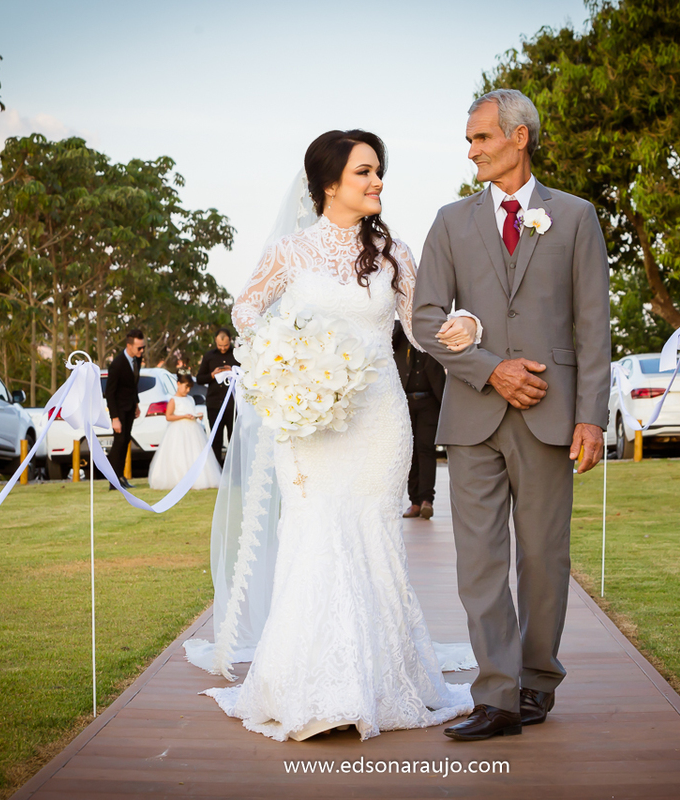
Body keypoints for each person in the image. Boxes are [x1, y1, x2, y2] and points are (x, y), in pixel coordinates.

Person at [201, 129, 481, 742]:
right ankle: (313, 685)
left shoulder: (393, 253)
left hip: (378, 415)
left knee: (372, 533)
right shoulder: (290, 251)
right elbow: (245, 310)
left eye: (379, 171)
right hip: (311, 419)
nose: (377, 181)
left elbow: (419, 327)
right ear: (330, 184)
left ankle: (379, 683)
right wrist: (287, 356)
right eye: (364, 172)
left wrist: (464, 325)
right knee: (315, 532)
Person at [412, 89, 611, 741]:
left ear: (519, 138)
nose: (471, 150)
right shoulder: (449, 222)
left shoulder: (576, 218)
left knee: (544, 559)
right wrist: (490, 368)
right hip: (472, 417)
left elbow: (592, 325)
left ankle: (535, 682)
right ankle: (496, 696)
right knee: (478, 562)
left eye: (481, 138)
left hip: (553, 415)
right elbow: (426, 319)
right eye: (469, 140)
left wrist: (592, 417)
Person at [394, 320, 447, 520]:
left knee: (426, 449)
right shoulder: (399, 333)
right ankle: (414, 502)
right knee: (410, 452)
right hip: (405, 402)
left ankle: (426, 500)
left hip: (429, 401)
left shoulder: (431, 331)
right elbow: (390, 332)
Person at [148, 374, 221, 491]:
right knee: (178, 453)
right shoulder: (173, 400)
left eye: (189, 388)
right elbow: (168, 416)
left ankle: (199, 478)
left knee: (194, 452)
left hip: (193, 430)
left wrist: (197, 416)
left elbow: (191, 411)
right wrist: (183, 416)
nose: (187, 390)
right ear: (178, 384)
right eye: (186, 387)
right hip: (178, 430)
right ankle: (179, 478)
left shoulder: (190, 399)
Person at [104, 328, 145, 491]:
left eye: (143, 347)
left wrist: (136, 404)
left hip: (129, 407)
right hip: (119, 410)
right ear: (129, 346)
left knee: (126, 441)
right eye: (139, 348)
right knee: (119, 442)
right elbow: (110, 392)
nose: (142, 351)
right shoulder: (117, 364)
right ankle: (113, 480)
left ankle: (120, 477)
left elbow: (133, 386)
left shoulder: (136, 361)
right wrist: (115, 417)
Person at [196, 328, 239, 467]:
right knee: (216, 439)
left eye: (225, 345)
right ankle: (217, 471)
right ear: (215, 341)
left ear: (230, 340)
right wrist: (212, 375)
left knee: (234, 438)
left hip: (232, 405)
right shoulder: (209, 356)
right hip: (214, 404)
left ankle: (234, 470)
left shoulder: (237, 355)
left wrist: (233, 371)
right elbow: (199, 379)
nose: (222, 348)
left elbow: (246, 375)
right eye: (220, 345)